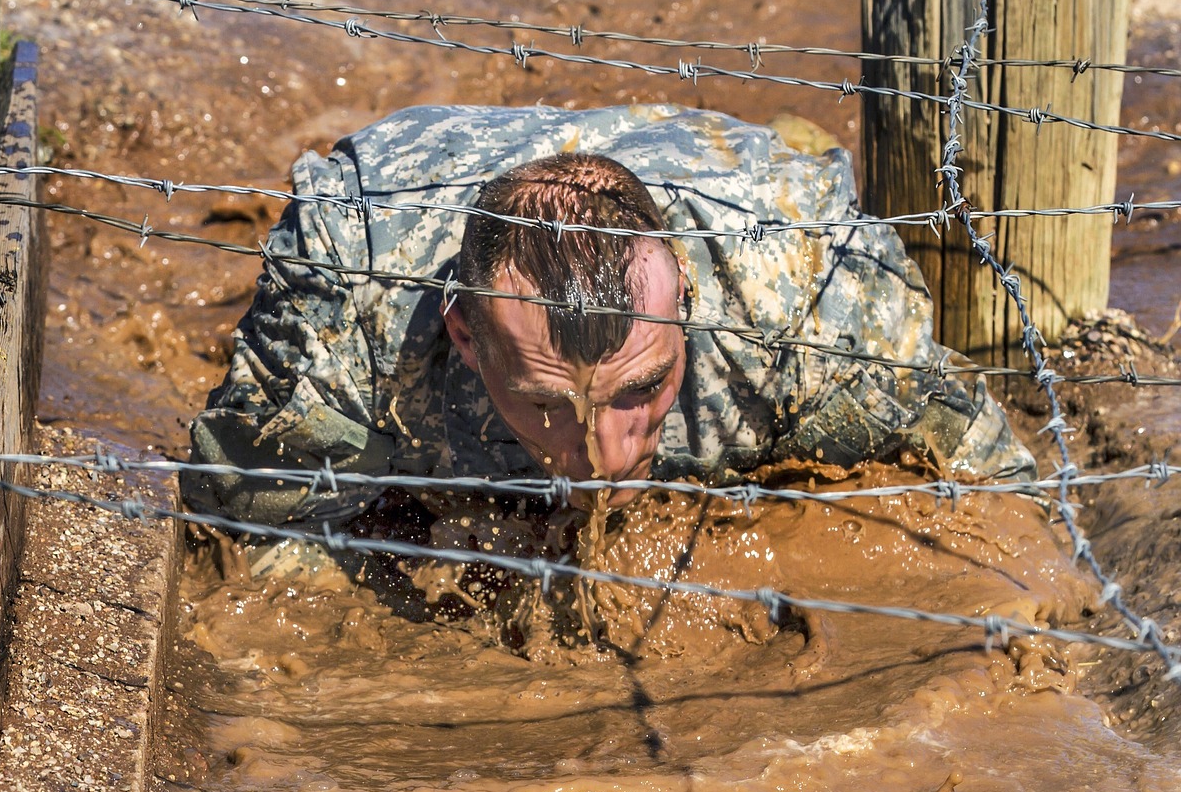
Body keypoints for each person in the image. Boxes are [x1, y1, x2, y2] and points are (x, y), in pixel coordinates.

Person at [183, 104, 1035, 543]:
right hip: (427, 173)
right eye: (549, 405)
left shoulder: (808, 302)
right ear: (465, 336)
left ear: (688, 308)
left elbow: (1000, 497)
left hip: (724, 174)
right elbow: (254, 522)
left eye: (644, 388)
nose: (607, 453)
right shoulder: (348, 289)